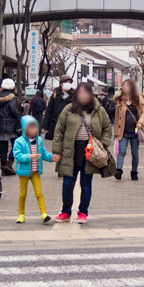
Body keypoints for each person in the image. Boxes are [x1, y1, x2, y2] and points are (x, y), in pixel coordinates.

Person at [52, 83, 112, 224]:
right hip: (70, 151)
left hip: (89, 153)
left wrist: (103, 144)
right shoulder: (69, 109)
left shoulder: (99, 110)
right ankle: (65, 212)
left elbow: (107, 128)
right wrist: (57, 151)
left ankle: (83, 212)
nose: (83, 96)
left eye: (86, 93)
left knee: (86, 184)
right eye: (80, 93)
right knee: (67, 185)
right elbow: (59, 131)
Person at [12, 115, 53, 224]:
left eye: (36, 127)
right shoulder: (19, 141)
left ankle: (44, 214)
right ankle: (21, 214)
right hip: (23, 172)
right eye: (31, 127)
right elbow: (17, 155)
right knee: (23, 194)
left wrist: (52, 157)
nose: (35, 130)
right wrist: (29, 156)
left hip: (36, 172)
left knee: (39, 193)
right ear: (25, 128)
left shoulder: (39, 140)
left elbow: (43, 154)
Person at [113, 79, 144, 181]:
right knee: (121, 151)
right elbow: (116, 117)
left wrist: (140, 122)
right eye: (124, 85)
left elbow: (143, 114)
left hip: (135, 131)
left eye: (127, 86)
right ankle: (118, 171)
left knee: (135, 152)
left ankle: (134, 172)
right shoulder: (120, 100)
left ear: (131, 87)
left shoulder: (139, 99)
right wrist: (115, 132)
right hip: (123, 131)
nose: (125, 87)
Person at [0, 78, 20, 176]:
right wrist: (19, 117)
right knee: (16, 144)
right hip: (11, 125)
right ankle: (9, 163)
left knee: (3, 148)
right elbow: (13, 110)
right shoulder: (12, 97)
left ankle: (3, 168)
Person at [43, 75, 74, 141]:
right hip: (56, 124)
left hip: (69, 125)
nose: (68, 84)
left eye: (69, 82)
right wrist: (46, 126)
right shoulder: (55, 95)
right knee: (57, 143)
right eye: (66, 82)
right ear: (61, 84)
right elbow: (49, 111)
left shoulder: (74, 96)